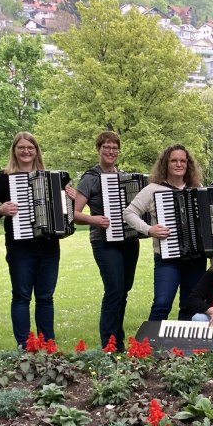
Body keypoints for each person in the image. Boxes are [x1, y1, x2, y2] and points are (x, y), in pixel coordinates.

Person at [0, 132, 75, 349]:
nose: (26, 151)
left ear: (36, 151)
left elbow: (67, 214)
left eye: (30, 147)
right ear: (14, 151)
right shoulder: (3, 178)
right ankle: (24, 345)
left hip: (48, 245)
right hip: (19, 247)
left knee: (46, 296)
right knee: (21, 295)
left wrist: (70, 200)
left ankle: (47, 344)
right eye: (21, 147)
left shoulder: (53, 178)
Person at [123, 144, 207, 321]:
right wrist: (149, 229)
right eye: (174, 160)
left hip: (196, 258)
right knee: (162, 303)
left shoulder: (197, 187)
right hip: (167, 259)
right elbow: (128, 213)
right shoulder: (153, 189)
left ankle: (183, 347)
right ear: (166, 164)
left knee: (190, 305)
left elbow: (208, 216)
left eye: (183, 161)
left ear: (188, 164)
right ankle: (149, 346)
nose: (179, 164)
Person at [73, 131, 138, 351]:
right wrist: (94, 219)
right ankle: (109, 345)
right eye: (106, 148)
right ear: (98, 149)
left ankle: (118, 340)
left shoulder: (127, 177)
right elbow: (75, 213)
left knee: (124, 290)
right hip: (104, 241)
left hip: (129, 240)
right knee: (114, 290)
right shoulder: (90, 178)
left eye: (114, 148)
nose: (111, 152)